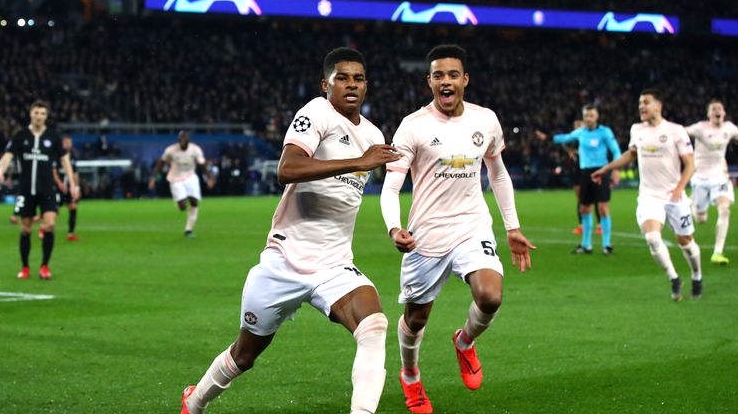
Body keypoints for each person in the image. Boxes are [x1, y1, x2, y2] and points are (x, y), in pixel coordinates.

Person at [180, 47, 402, 414]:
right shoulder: (316, 112)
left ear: (367, 86)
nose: (351, 85)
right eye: (342, 78)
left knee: (374, 325)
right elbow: (287, 168)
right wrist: (358, 162)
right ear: (325, 84)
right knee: (244, 355)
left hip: (334, 264)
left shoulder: (374, 135)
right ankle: (196, 401)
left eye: (358, 78)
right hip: (283, 262)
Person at [380, 44, 535, 414]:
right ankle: (411, 375)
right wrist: (393, 228)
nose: (445, 81)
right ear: (429, 81)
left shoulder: (486, 120)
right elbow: (390, 187)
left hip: (472, 225)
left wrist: (512, 226)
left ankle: (465, 342)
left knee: (490, 296)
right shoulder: (413, 126)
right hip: (425, 235)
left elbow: (497, 172)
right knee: (415, 320)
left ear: (465, 80)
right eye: (438, 75)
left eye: (453, 74)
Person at [592, 88, 702, 301]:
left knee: (686, 241)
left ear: (658, 106)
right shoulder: (637, 129)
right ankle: (674, 278)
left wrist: (680, 188)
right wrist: (606, 168)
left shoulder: (676, 130)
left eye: (646, 102)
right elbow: (630, 155)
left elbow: (690, 164)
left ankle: (697, 275)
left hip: (674, 195)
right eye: (640, 103)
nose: (641, 106)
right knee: (652, 237)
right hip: (649, 196)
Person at [0, 101, 79, 279]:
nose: (39, 116)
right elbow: (7, 156)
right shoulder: (20, 136)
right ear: (31, 114)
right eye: (36, 113)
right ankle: (25, 267)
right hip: (26, 189)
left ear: (46, 116)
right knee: (26, 228)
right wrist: (0, 171)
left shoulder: (53, 137)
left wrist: (72, 183)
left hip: (47, 189)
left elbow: (65, 160)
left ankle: (44, 266)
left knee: (50, 224)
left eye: (42, 113)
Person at [685, 99, 738, 265]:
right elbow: (680, 132)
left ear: (724, 113)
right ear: (709, 114)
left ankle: (718, 253)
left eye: (720, 108)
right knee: (701, 219)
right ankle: (692, 203)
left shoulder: (729, 128)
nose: (717, 110)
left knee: (724, 209)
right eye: (713, 108)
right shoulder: (700, 127)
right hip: (700, 177)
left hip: (720, 176)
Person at [536, 105, 622, 254]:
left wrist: (615, 169)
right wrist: (548, 137)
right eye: (586, 116)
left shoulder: (605, 132)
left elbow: (616, 151)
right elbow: (565, 138)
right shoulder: (580, 132)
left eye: (591, 116)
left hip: (601, 171)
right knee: (584, 208)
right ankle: (586, 245)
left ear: (597, 117)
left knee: (602, 207)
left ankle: (606, 245)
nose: (588, 118)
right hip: (585, 172)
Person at [148, 131, 215, 238]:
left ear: (188, 140)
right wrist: (153, 177)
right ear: (179, 140)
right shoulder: (171, 150)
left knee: (194, 201)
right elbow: (161, 163)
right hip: (175, 178)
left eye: (186, 140)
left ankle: (188, 229)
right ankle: (180, 201)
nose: (184, 142)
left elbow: (202, 164)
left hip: (190, 177)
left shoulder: (195, 149)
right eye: (182, 140)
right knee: (182, 206)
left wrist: (209, 178)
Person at [51, 135, 81, 241]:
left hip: (69, 188)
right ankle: (44, 228)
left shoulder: (73, 156)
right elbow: (54, 172)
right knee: (54, 210)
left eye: (70, 142)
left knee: (73, 207)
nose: (68, 144)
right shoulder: (57, 155)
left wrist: (76, 187)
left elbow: (75, 173)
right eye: (66, 142)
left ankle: (70, 233)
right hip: (58, 188)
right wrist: (60, 184)